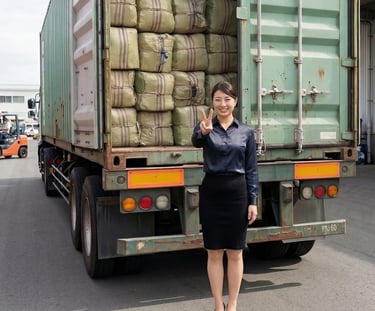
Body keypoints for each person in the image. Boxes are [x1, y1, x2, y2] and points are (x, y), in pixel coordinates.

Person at [191, 81, 259, 311]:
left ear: (235, 102)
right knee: (214, 251)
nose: (223, 104)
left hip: (237, 194)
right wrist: (203, 131)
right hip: (212, 192)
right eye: (218, 99)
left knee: (236, 252)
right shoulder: (205, 127)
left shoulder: (246, 132)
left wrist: (253, 201)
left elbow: (251, 169)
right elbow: (195, 141)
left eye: (227, 99)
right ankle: (218, 305)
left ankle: (233, 305)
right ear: (212, 102)